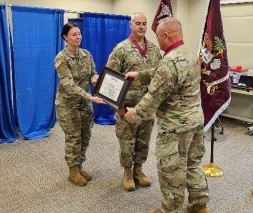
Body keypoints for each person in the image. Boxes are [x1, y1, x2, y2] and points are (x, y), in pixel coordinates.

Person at [124, 17, 209, 213]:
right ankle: (199, 205)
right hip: (195, 121)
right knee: (193, 164)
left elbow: (152, 98)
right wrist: (140, 75)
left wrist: (133, 114)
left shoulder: (169, 61)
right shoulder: (189, 53)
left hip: (175, 128)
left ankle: (168, 210)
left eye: (157, 36)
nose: (157, 40)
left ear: (166, 35)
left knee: (171, 170)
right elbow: (166, 72)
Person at [105, 12, 161, 191]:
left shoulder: (154, 50)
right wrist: (119, 108)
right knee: (127, 142)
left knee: (143, 142)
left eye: (144, 23)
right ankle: (127, 172)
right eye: (138, 23)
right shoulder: (121, 49)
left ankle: (139, 170)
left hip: (147, 107)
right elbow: (109, 81)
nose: (142, 27)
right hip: (127, 107)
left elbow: (160, 76)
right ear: (131, 25)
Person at [54, 22, 105, 186]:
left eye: (79, 34)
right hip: (68, 104)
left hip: (84, 104)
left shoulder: (87, 54)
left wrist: (95, 79)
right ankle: (72, 171)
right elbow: (68, 84)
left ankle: (79, 165)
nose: (78, 37)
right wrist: (89, 97)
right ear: (65, 37)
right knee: (74, 137)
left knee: (85, 136)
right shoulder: (61, 58)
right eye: (74, 34)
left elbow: (93, 73)